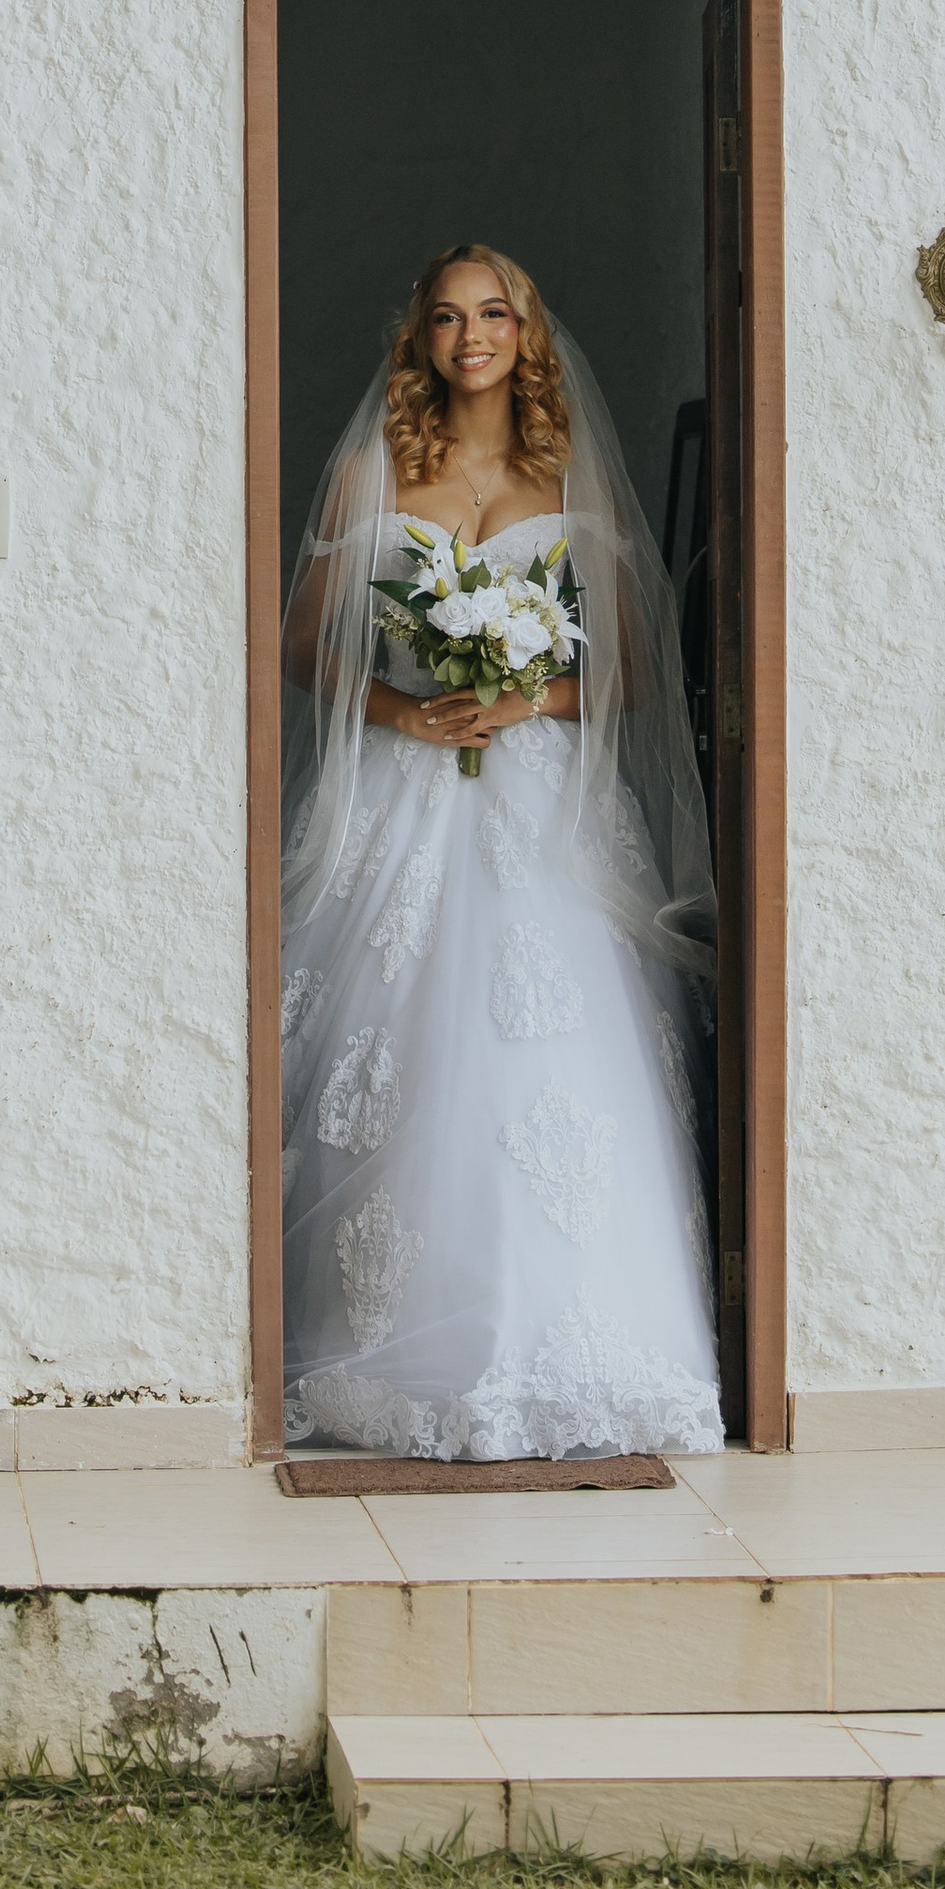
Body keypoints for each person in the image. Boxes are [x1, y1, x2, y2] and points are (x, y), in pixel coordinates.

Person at [278, 242, 723, 1460]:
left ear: (525, 333)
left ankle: (580, 1341)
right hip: (406, 788)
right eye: (444, 317)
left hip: (533, 798)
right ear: (416, 338)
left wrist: (525, 701)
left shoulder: (561, 472)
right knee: (408, 1052)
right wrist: (407, 710)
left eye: (492, 314)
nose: (469, 335)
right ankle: (401, 1344)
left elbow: (623, 665)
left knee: (554, 1064)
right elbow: (306, 648)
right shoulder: (372, 472)